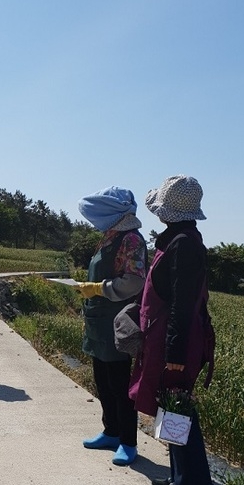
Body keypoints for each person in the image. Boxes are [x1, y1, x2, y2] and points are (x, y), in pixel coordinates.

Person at [129, 175, 215, 485]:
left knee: (178, 409)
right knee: (171, 407)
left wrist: (175, 354)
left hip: (175, 340)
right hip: (166, 337)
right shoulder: (180, 238)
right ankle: (182, 474)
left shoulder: (184, 244)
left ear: (167, 211)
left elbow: (182, 303)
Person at [76, 187, 147, 466]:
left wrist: (98, 288)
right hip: (97, 321)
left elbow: (134, 281)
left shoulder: (130, 239)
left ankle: (128, 442)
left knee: (120, 385)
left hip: (117, 322)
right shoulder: (110, 237)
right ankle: (111, 431)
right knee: (103, 382)